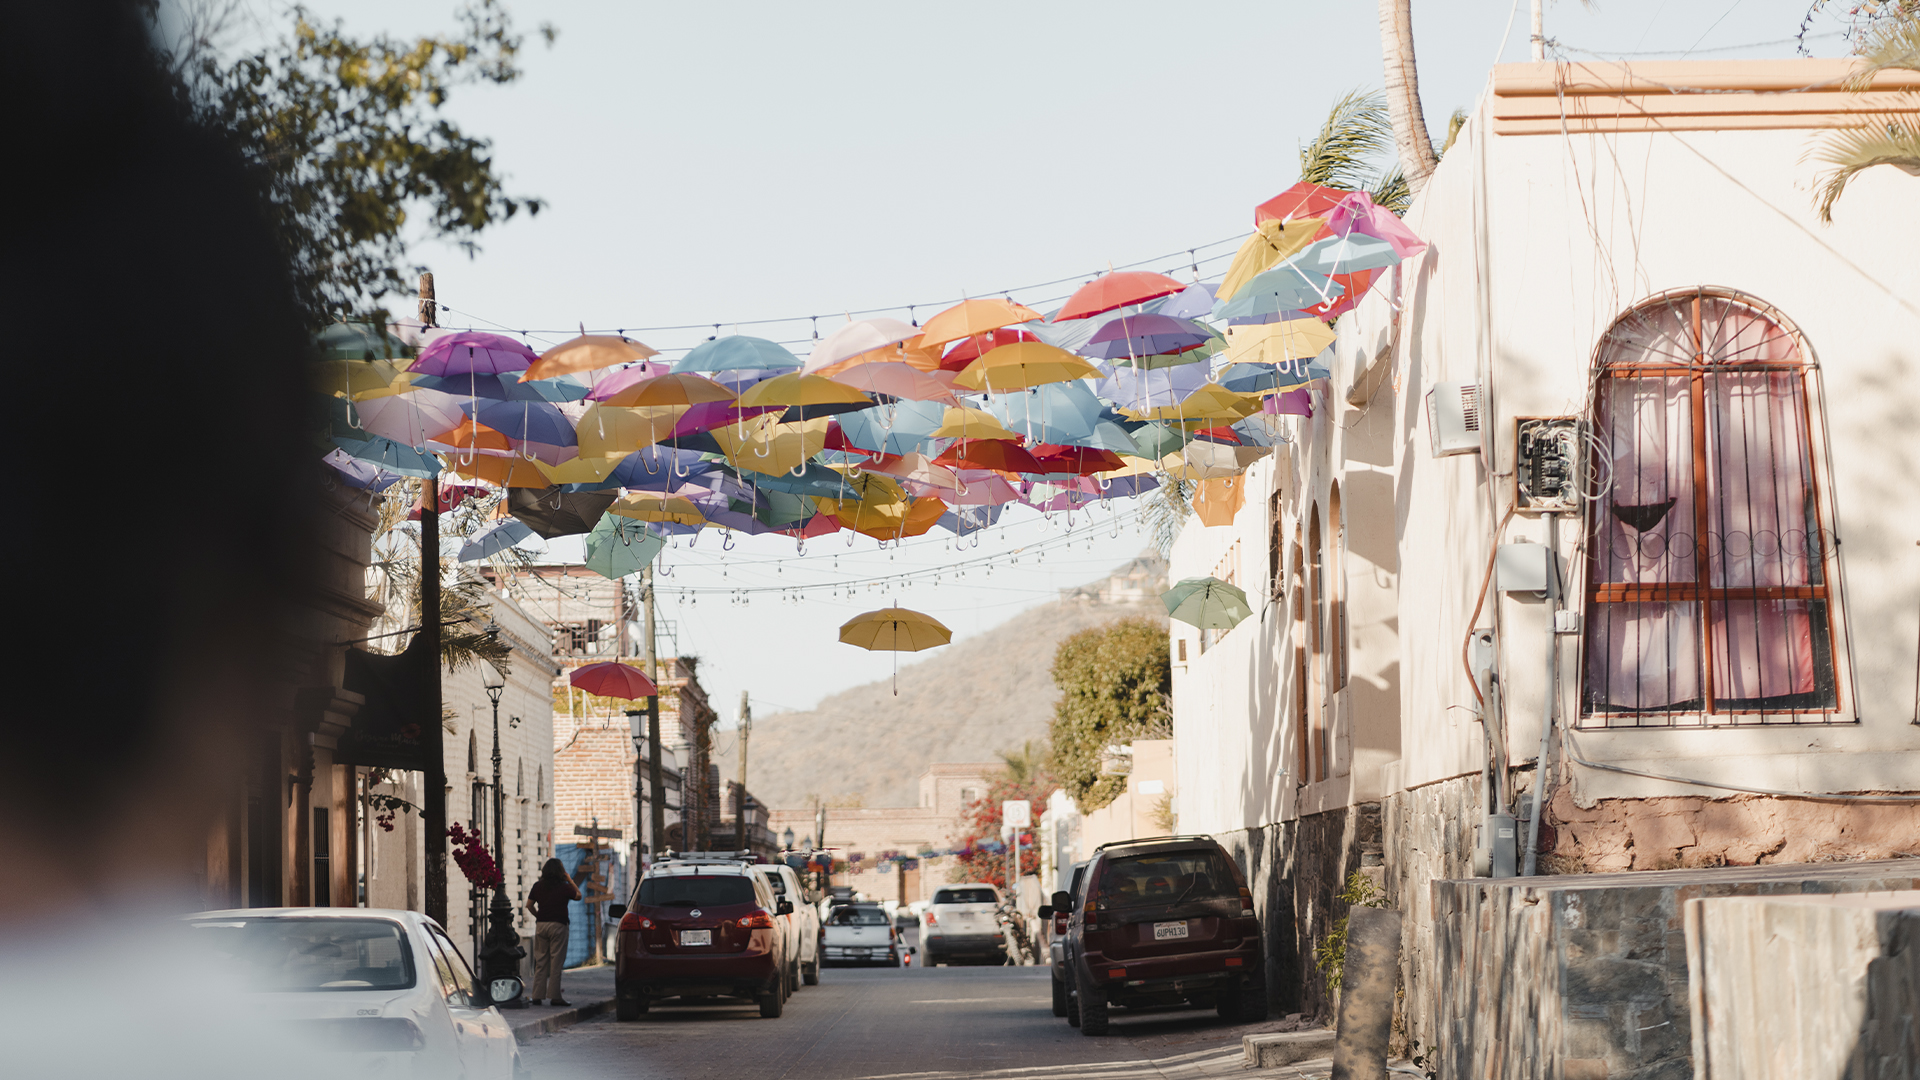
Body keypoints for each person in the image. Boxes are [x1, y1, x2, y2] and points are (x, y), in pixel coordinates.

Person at [525, 859, 580, 1006]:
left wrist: (539, 916)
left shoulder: (538, 886)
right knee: (556, 962)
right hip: (558, 925)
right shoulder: (564, 887)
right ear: (560, 872)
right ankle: (555, 997)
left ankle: (537, 996)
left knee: (541, 961)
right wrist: (569, 879)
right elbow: (578, 895)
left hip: (541, 926)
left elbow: (529, 905)